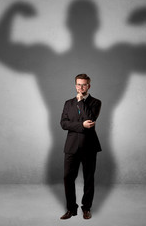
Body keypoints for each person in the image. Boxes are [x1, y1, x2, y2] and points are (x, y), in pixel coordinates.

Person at [59, 74, 102, 220]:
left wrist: (81, 102)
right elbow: (63, 124)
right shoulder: (68, 103)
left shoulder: (96, 102)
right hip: (71, 146)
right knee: (67, 178)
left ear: (89, 86)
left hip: (89, 145)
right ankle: (71, 209)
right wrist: (81, 125)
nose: (81, 87)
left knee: (89, 178)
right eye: (78, 84)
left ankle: (86, 209)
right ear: (75, 85)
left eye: (84, 85)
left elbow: (90, 119)